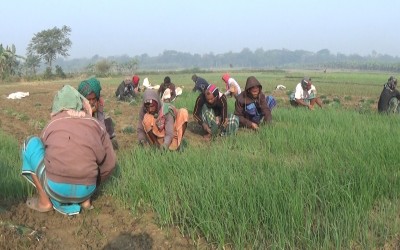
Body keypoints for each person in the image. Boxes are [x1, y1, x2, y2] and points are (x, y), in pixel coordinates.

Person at [21, 85, 116, 215]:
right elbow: (110, 164)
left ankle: (44, 201)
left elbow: (45, 153)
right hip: (87, 189)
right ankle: (85, 201)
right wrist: (93, 182)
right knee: (86, 156)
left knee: (30, 143)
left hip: (55, 190)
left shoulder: (52, 124)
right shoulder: (96, 124)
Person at [78, 77, 118, 149]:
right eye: (88, 99)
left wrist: (99, 112)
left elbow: (106, 135)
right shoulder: (77, 116)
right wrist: (89, 114)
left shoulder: (103, 115)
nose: (92, 102)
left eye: (94, 99)